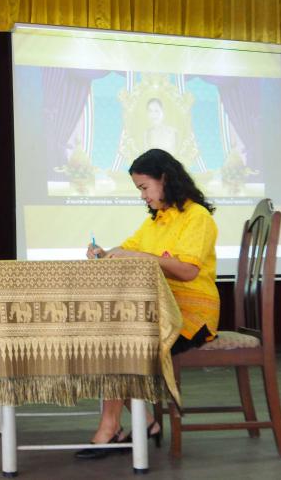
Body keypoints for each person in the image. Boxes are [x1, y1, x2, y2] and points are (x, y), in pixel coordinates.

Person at [76, 148, 220, 459]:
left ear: (165, 179)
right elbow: (126, 250)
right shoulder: (157, 221)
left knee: (119, 342)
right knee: (109, 338)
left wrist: (137, 256)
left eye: (144, 187)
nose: (142, 196)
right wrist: (103, 253)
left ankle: (110, 428)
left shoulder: (197, 217)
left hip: (189, 316)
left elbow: (188, 270)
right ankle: (145, 423)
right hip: (157, 311)